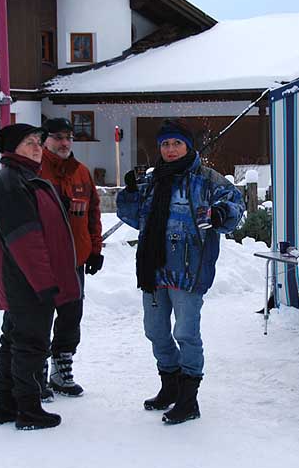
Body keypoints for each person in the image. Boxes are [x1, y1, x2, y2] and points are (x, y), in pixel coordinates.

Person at [116, 119, 245, 425]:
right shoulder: (152, 180)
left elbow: (235, 206)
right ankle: (170, 385)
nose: (170, 150)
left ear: (187, 146)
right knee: (155, 331)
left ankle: (189, 398)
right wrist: (131, 192)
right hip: (153, 269)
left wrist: (220, 213)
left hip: (189, 269)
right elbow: (132, 216)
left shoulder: (207, 179)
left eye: (176, 143)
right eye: (165, 144)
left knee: (186, 333)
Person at [0, 123, 81, 430]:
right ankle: (28, 409)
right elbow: (24, 240)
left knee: (14, 340)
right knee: (30, 343)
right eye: (29, 143)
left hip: (25, 279)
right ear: (12, 149)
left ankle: (5, 405)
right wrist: (44, 284)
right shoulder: (13, 181)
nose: (37, 147)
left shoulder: (26, 178)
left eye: (38, 142)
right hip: (27, 281)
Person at [38, 117, 103, 399]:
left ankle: (61, 369)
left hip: (75, 260)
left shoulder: (82, 173)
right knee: (38, 317)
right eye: (57, 138)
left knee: (70, 316)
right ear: (45, 140)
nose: (64, 143)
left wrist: (95, 250)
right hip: (41, 261)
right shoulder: (35, 170)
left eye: (68, 137)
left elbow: (93, 214)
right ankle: (36, 372)